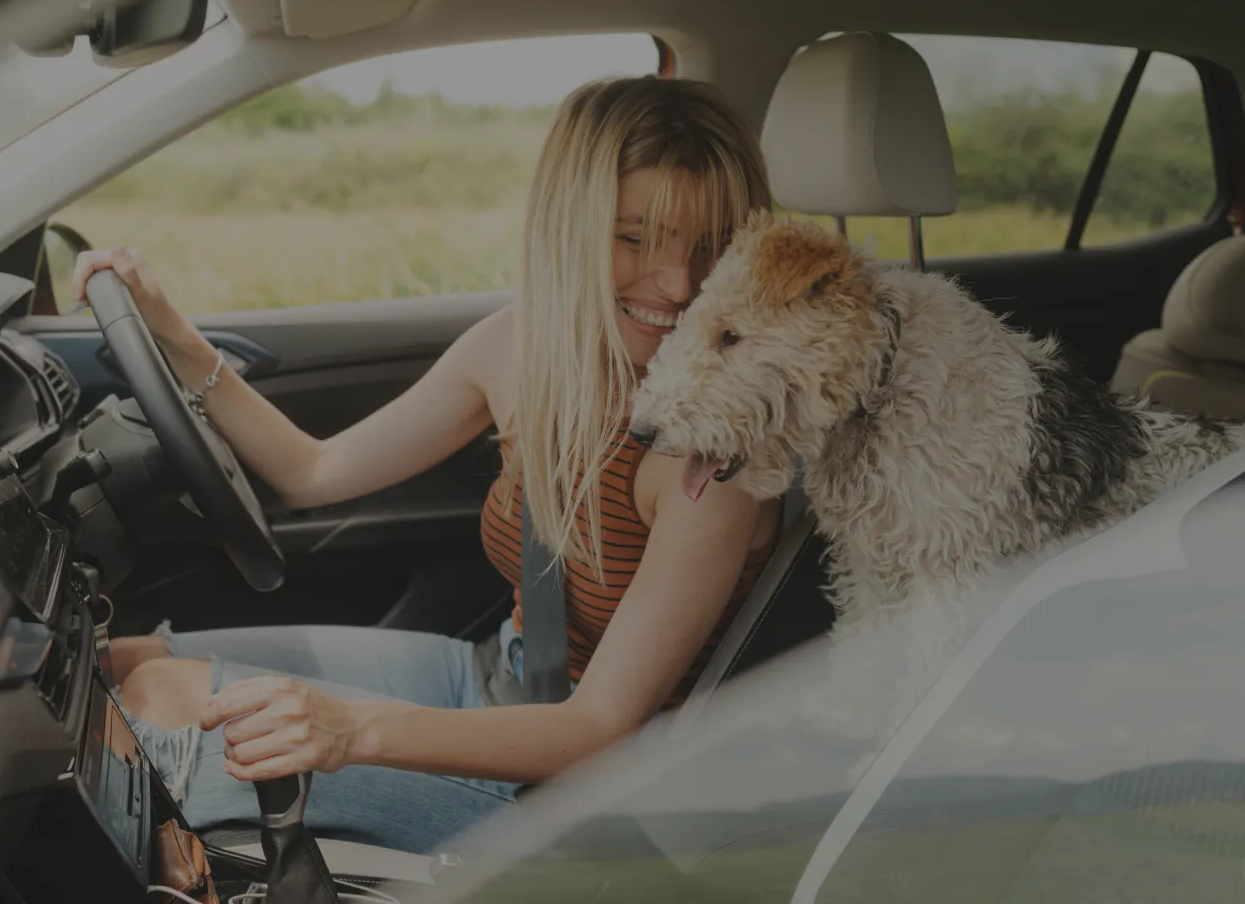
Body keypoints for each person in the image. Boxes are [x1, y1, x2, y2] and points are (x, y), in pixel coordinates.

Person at [69, 76, 782, 855]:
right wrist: (172, 332)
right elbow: (314, 471)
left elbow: (600, 726)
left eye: (709, 248)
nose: (677, 284)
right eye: (636, 238)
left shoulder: (717, 458)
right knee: (116, 664)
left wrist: (351, 730)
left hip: (590, 790)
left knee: (165, 711)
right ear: (568, 228)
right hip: (493, 679)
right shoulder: (518, 349)